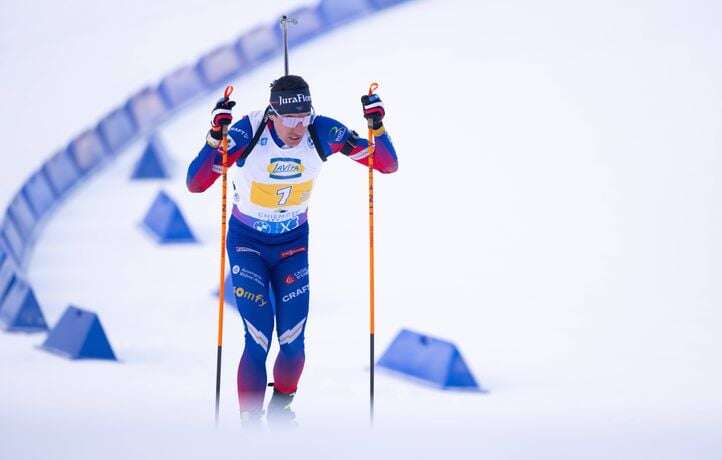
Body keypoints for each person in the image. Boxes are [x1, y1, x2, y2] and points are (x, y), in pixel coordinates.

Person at [186, 75, 398, 426]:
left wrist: (376, 124)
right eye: (289, 119)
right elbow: (196, 183)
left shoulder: (322, 133)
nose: (298, 128)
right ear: (272, 115)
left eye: (304, 117)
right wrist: (214, 138)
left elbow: (386, 164)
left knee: (293, 342)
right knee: (257, 340)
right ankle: (250, 426)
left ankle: (282, 411)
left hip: (293, 245)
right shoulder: (248, 133)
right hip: (247, 243)